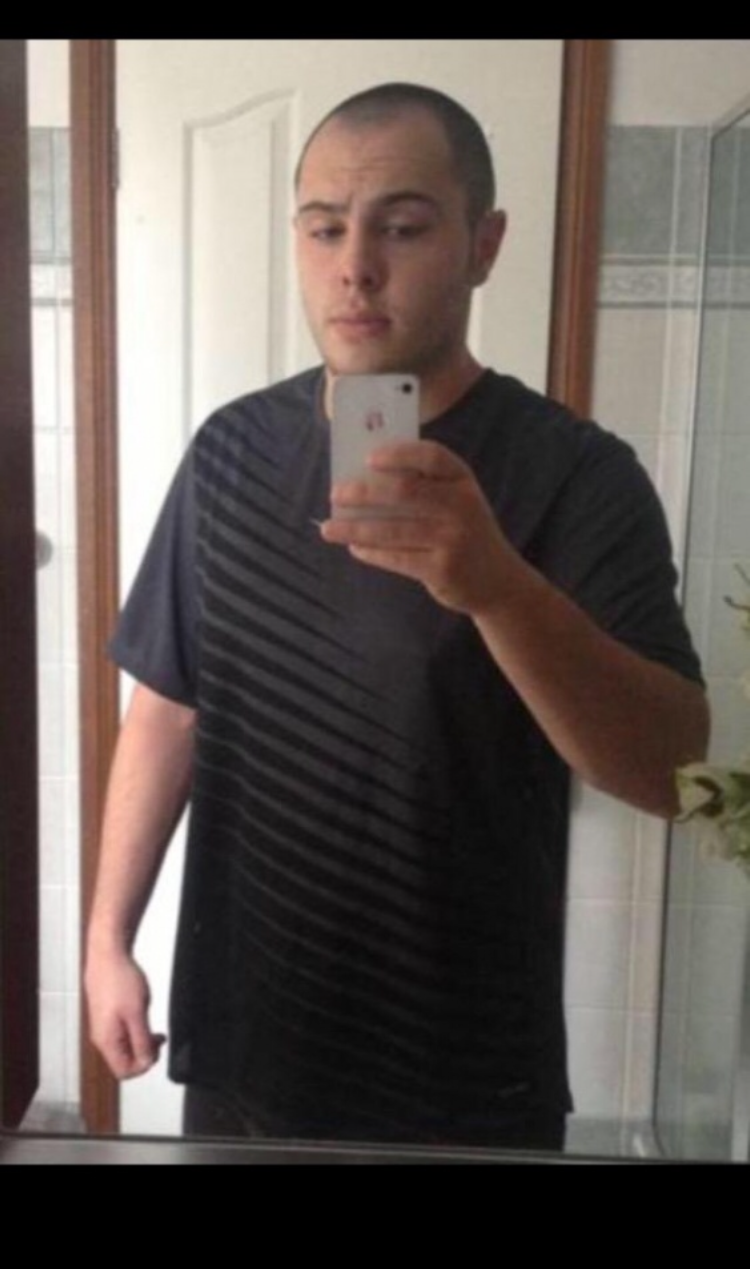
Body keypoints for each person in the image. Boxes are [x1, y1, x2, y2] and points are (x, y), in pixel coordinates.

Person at [84, 82, 708, 1151]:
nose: (356, 266)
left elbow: (672, 768)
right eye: (325, 228)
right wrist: (107, 937)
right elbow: (169, 708)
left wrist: (498, 588)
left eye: (404, 228)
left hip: (465, 1073)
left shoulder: (577, 476)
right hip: (249, 1050)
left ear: (484, 245)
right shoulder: (229, 452)